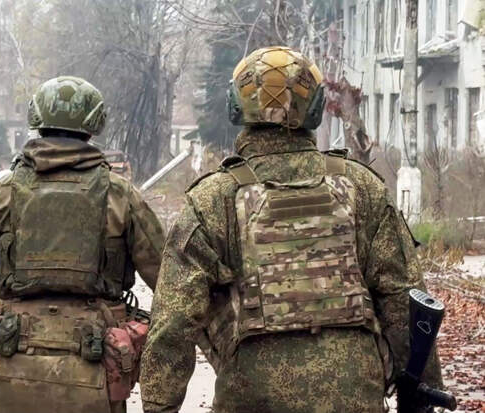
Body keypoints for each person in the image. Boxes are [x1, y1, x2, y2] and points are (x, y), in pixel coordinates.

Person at [139, 46, 442, 413]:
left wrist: (159, 405)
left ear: (235, 106)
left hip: (252, 398)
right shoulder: (362, 188)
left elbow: (173, 321)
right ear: (315, 107)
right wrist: (424, 390)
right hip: (353, 394)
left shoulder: (213, 200)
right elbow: (404, 299)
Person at [0, 76, 165, 413]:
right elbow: (167, 278)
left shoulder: (3, 192)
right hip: (96, 357)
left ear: (37, 120)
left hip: (13, 358)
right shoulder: (118, 193)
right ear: (94, 125)